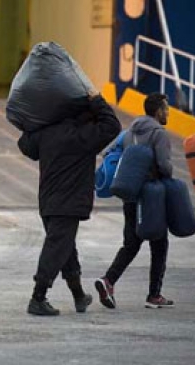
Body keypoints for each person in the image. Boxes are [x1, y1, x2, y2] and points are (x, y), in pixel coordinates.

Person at [18, 94, 121, 316]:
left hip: (47, 200)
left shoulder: (47, 131)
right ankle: (38, 297)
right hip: (70, 202)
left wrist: (36, 120)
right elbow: (113, 125)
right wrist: (97, 101)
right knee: (57, 248)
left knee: (65, 247)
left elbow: (25, 145)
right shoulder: (85, 136)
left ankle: (78, 295)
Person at [95, 93, 174, 310]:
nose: (168, 112)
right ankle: (154, 295)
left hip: (130, 194)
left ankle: (108, 280)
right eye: (166, 109)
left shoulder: (129, 132)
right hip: (152, 196)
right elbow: (165, 167)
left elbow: (109, 152)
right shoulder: (159, 134)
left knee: (131, 243)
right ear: (158, 111)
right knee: (159, 243)